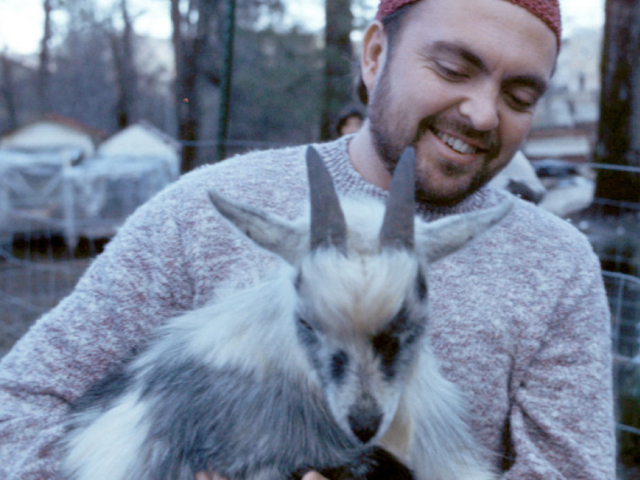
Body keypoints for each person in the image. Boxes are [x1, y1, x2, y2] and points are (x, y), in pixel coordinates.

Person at [0, 0, 615, 479]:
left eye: (520, 96)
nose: (483, 114)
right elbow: (21, 403)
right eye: (453, 69)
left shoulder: (556, 264)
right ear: (375, 55)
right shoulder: (197, 212)